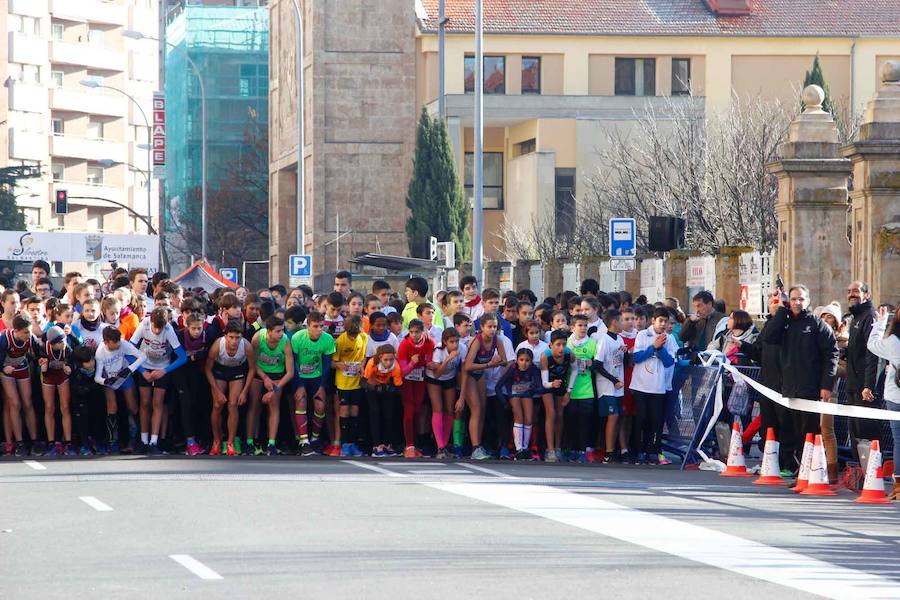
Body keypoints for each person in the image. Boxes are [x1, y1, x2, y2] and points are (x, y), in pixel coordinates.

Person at [762, 285, 839, 471]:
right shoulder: (784, 321)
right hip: (788, 388)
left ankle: (810, 471)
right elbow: (768, 337)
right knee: (791, 432)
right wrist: (781, 310)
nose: (797, 302)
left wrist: (826, 385)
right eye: (794, 299)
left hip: (810, 388)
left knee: (809, 432)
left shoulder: (817, 324)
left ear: (808, 301)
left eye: (801, 299)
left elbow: (832, 353)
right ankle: (797, 470)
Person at [130, 307, 188, 454]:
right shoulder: (144, 325)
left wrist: (164, 371)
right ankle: (143, 440)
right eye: (155, 327)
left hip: (162, 367)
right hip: (145, 365)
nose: (157, 331)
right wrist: (142, 371)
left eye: (160, 328)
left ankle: (154, 441)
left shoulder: (168, 330)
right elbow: (129, 351)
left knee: (158, 403)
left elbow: (183, 357)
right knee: (144, 403)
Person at [630, 307, 679, 465]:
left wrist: (660, 349)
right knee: (641, 418)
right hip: (640, 385)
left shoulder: (669, 339)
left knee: (656, 420)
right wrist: (653, 347)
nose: (663, 324)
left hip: (658, 386)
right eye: (661, 321)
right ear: (653, 321)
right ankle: (638, 450)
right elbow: (637, 357)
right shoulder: (643, 335)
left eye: (666, 321)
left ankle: (653, 450)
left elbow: (669, 361)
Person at [205, 321, 255, 456]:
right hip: (219, 371)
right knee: (218, 404)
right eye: (231, 337)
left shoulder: (246, 346)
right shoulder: (217, 345)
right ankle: (216, 440)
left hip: (237, 372)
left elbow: (252, 369)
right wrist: (216, 390)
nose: (234, 341)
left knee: (233, 405)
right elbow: (208, 369)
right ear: (225, 336)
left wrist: (245, 391)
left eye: (237, 338)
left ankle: (230, 442)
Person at [866, 305, 900, 500]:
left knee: (899, 440)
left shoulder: (893, 341)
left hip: (896, 395)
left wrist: (880, 324)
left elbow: (872, 344)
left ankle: (899, 486)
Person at [463, 312, 507, 460]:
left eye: (495, 326)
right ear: (482, 327)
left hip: (480, 373)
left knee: (481, 409)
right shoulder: (477, 341)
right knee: (476, 409)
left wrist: (495, 362)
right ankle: (475, 448)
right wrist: (489, 364)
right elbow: (468, 366)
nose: (492, 329)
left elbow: (504, 360)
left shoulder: (497, 340)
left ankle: (479, 445)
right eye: (489, 327)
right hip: (468, 375)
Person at [249, 316, 295, 456]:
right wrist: (264, 378)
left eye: (282, 330)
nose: (281, 334)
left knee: (274, 407)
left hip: (277, 375)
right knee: (254, 406)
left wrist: (274, 389)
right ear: (268, 331)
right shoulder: (258, 338)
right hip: (260, 372)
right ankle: (251, 441)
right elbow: (253, 363)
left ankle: (271, 443)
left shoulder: (285, 342)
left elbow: (290, 372)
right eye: (278, 331)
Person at [94, 327, 144, 454]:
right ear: (106, 342)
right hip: (109, 380)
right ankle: (113, 441)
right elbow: (97, 377)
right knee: (112, 407)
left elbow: (142, 357)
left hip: (124, 377)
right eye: (114, 342)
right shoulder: (100, 352)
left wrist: (130, 369)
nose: (117, 344)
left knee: (132, 407)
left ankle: (135, 438)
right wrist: (106, 381)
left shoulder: (123, 344)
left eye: (118, 340)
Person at [844, 281, 880, 460]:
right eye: (849, 291)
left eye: (856, 291)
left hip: (863, 387)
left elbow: (871, 355)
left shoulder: (869, 316)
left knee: (865, 430)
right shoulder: (856, 317)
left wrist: (868, 386)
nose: (852, 294)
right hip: (852, 383)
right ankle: (859, 471)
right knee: (855, 431)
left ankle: (869, 472)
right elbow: (856, 351)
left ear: (867, 294)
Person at [291, 311, 335, 455]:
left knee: (320, 405)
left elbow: (327, 364)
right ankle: (304, 441)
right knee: (301, 401)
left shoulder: (327, 339)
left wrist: (322, 386)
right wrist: (299, 386)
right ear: (308, 326)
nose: (319, 330)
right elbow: (294, 363)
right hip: (300, 376)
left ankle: (315, 439)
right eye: (315, 326)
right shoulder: (298, 338)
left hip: (317, 377)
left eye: (321, 326)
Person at [1, 314, 40, 456]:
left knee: (28, 403)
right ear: (15, 330)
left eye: (30, 331)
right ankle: (19, 442)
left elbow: (39, 354)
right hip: (7, 370)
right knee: (15, 404)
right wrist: (3, 368)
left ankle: (34, 440)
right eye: (25, 332)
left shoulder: (31, 339)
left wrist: (42, 360)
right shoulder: (4, 339)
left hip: (22, 368)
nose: (28, 335)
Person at [397, 318, 435, 457]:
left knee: (419, 411)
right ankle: (409, 445)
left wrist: (430, 364)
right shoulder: (404, 345)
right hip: (407, 381)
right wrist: (412, 364)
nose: (414, 335)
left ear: (423, 331)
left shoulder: (430, 343)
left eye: (417, 332)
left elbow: (430, 362)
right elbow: (402, 371)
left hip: (421, 381)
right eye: (411, 332)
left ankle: (418, 444)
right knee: (409, 412)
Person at [495, 348, 542, 459]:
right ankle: (519, 448)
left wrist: (532, 389)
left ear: (531, 361)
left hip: (527, 395)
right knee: (519, 418)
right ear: (517, 360)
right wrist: (504, 402)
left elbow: (540, 386)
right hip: (514, 395)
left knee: (529, 419)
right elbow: (498, 386)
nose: (524, 363)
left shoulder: (533, 369)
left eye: (527, 360)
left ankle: (525, 448)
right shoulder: (512, 368)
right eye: (521, 360)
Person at [426, 327, 465, 459]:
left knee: (449, 410)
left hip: (450, 378)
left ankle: (446, 444)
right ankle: (440, 446)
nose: (455, 345)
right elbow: (436, 374)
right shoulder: (439, 350)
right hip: (434, 379)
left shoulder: (462, 349)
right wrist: (448, 359)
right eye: (451, 342)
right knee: (438, 409)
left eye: (456, 341)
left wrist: (462, 396)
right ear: (445, 342)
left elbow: (463, 371)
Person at [595, 309, 627, 463]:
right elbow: (598, 365)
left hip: (618, 387)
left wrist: (626, 353)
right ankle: (608, 451)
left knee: (619, 417)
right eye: (622, 320)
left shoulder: (619, 340)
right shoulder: (604, 340)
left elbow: (621, 361)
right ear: (614, 322)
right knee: (612, 416)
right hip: (607, 387)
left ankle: (617, 449)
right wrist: (614, 380)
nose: (624, 324)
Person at [332, 315, 367, 457]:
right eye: (351, 335)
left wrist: (362, 365)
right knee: (344, 412)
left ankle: (353, 444)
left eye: (356, 334)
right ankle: (344, 444)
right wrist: (340, 364)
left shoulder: (364, 337)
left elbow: (365, 356)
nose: (353, 337)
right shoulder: (341, 340)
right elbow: (333, 362)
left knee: (355, 412)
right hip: (343, 383)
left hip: (356, 382)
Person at [38, 326, 75, 456]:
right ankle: (51, 442)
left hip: (62, 377)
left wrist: (69, 368)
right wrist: (43, 367)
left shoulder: (67, 349)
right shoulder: (44, 348)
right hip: (48, 377)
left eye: (64, 339)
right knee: (49, 407)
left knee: (65, 407)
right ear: (53, 343)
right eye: (60, 342)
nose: (63, 343)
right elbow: (42, 367)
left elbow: (72, 362)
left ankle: (68, 442)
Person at [364, 344, 403, 457]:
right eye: (385, 360)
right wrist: (375, 387)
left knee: (389, 416)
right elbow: (364, 382)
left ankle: (387, 444)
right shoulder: (372, 363)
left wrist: (390, 388)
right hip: (372, 390)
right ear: (380, 358)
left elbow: (398, 386)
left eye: (391, 359)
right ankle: (376, 445)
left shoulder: (396, 367)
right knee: (375, 414)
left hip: (387, 390)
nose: (388, 363)